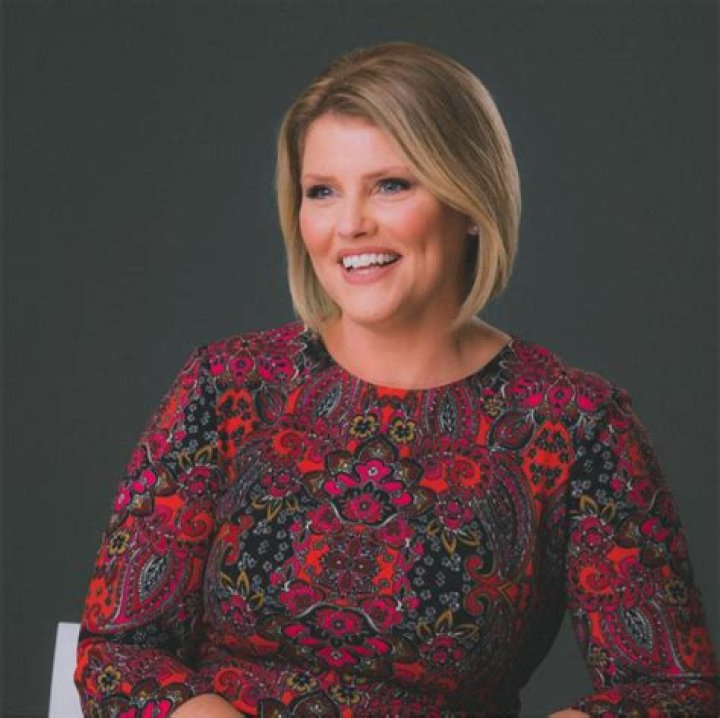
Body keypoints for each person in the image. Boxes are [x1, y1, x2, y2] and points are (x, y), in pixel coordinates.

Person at [74, 41, 717, 717]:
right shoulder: (227, 387)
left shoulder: (574, 423)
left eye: (391, 185)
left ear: (470, 201)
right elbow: (118, 654)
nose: (350, 225)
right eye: (322, 192)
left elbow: (672, 694)